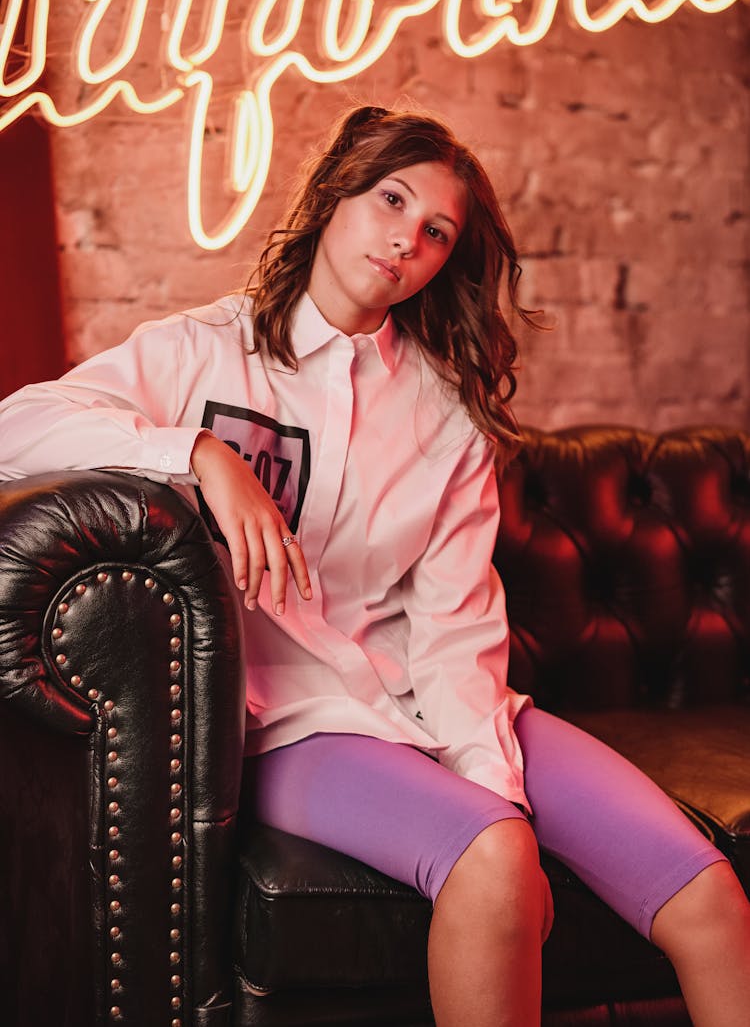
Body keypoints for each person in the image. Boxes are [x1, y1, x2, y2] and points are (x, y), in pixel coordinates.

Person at [1, 104, 749, 1026]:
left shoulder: (446, 412)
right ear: (333, 198)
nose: (407, 239)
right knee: (495, 861)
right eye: (391, 200)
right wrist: (199, 453)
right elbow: (16, 426)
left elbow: (455, 631)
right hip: (289, 723)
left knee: (711, 898)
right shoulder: (199, 351)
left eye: (436, 232)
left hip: (431, 700)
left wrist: (491, 781)